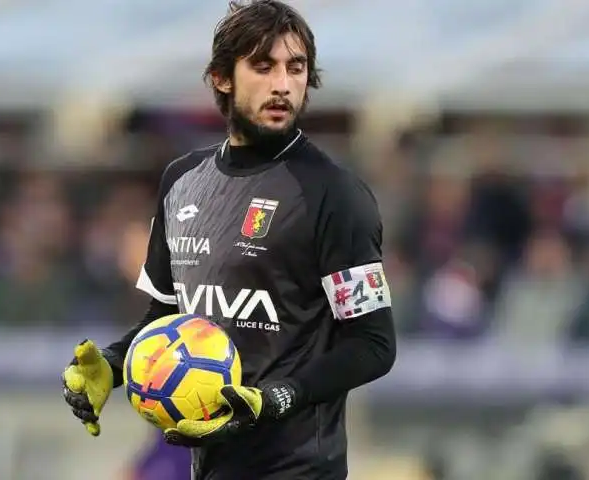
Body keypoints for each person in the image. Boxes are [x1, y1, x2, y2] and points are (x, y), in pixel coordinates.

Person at [62, 1, 397, 479]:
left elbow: (373, 343)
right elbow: (169, 320)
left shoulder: (336, 195)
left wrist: (279, 396)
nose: (282, 84)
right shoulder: (181, 182)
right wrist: (113, 365)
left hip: (299, 469)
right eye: (263, 66)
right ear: (222, 77)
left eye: (295, 68)